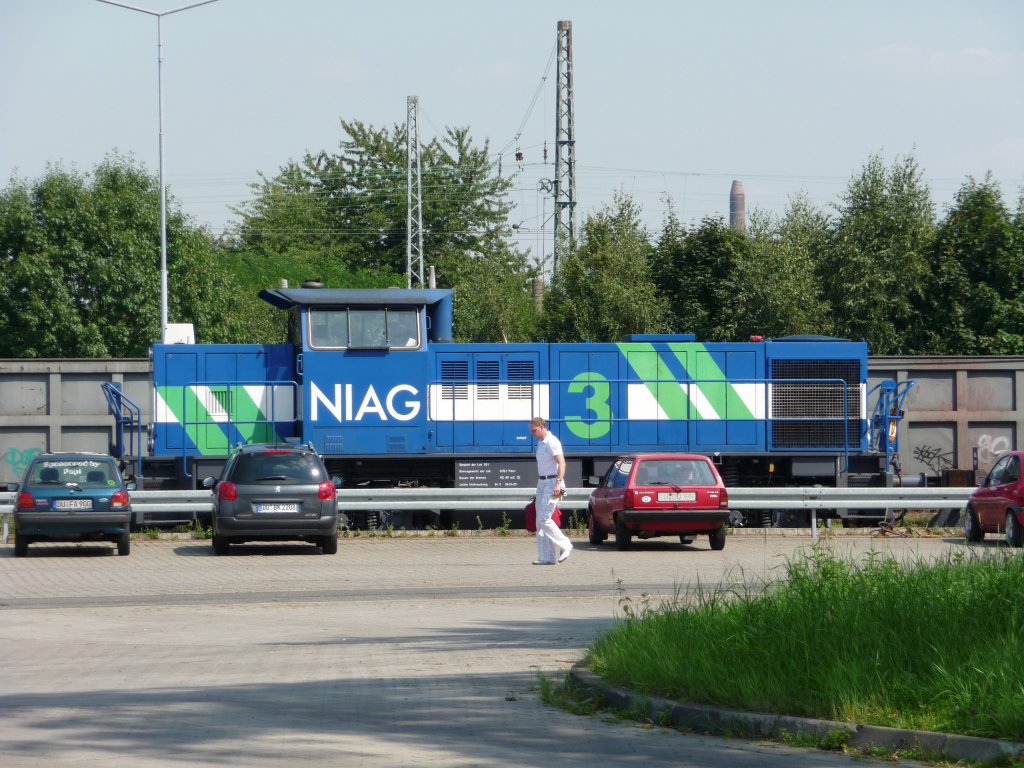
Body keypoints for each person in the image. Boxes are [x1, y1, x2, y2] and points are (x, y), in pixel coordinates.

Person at [528, 416, 573, 565]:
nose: (532, 434)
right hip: (542, 482)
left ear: (541, 427)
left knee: (544, 518)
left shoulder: (552, 441)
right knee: (539, 521)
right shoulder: (541, 443)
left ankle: (566, 544)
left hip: (555, 483)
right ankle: (546, 557)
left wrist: (558, 484)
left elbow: (562, 463)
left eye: (534, 430)